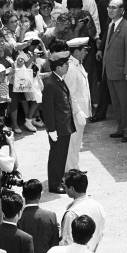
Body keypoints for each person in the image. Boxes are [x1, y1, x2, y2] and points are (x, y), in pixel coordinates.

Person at [102, 0, 127, 142]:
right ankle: (121, 128)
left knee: (125, 103)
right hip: (111, 71)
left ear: (122, 10)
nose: (110, 10)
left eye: (114, 7)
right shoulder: (111, 25)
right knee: (116, 103)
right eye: (109, 7)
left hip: (122, 72)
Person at [17, 179, 59, 253]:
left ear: (23, 195)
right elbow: (54, 246)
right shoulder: (51, 216)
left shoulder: (18, 218)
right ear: (40, 195)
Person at [42, 50, 75, 193]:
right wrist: (51, 129)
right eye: (65, 64)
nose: (67, 66)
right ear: (58, 67)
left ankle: (59, 179)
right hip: (58, 128)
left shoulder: (58, 80)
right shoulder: (51, 84)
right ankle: (54, 185)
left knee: (61, 155)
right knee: (56, 156)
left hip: (64, 127)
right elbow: (47, 110)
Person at [60, 170, 105, 252]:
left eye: (64, 186)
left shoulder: (71, 214)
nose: (64, 189)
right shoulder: (98, 206)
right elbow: (100, 234)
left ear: (72, 189)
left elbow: (67, 243)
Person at [65, 37, 92, 171]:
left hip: (80, 111)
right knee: (72, 142)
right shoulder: (70, 67)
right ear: (76, 52)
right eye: (84, 50)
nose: (86, 52)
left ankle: (74, 167)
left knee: (77, 142)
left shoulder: (78, 63)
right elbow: (70, 94)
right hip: (75, 112)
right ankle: (70, 171)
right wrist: (77, 112)